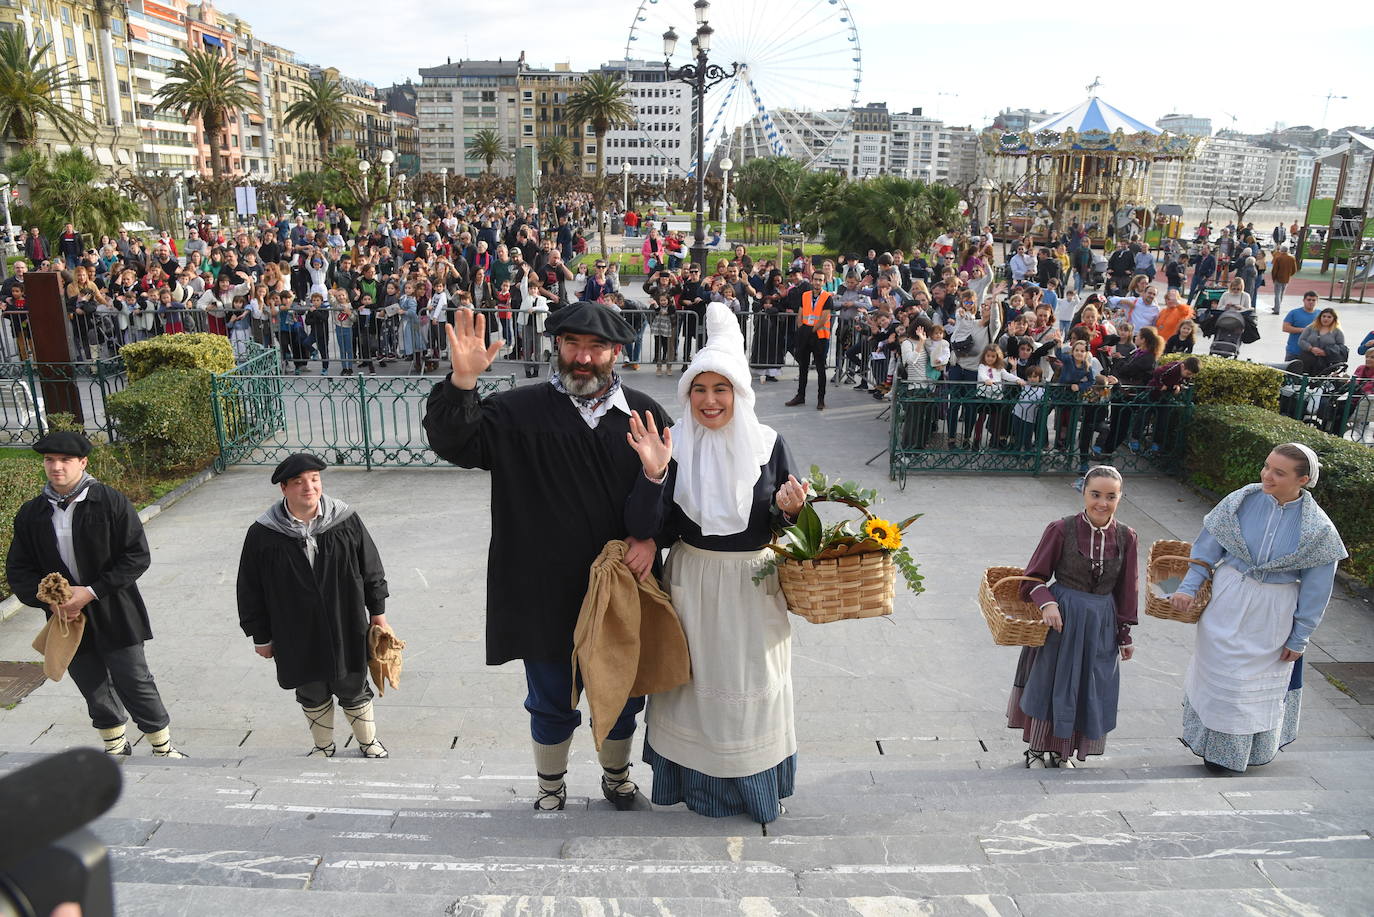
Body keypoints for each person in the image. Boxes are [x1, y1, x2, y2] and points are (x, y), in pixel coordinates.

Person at [423, 303, 671, 811]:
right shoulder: (518, 411)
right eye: (573, 345)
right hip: (541, 588)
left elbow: (675, 492)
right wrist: (462, 382)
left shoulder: (645, 415)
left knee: (623, 693)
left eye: (596, 347)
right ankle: (551, 786)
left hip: (618, 588)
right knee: (551, 698)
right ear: (556, 347)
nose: (583, 358)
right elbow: (455, 442)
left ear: (617, 352)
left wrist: (650, 537)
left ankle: (617, 777)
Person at [623, 302, 803, 824]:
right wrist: (653, 475)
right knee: (695, 691)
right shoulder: (673, 448)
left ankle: (756, 791)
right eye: (698, 390)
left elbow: (786, 522)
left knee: (752, 689)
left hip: (755, 588)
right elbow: (647, 527)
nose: (709, 400)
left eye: (720, 389)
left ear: (739, 393)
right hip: (692, 585)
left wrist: (793, 512)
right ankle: (698, 792)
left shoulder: (770, 446)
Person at [5, 431, 185, 758]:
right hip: (66, 619)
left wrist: (89, 592)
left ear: (83, 462)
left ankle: (163, 748)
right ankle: (115, 747)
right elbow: (18, 569)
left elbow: (136, 556)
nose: (56, 467)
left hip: (115, 609)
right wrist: (50, 600)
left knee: (134, 680)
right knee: (92, 685)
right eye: (49, 460)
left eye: (65, 460)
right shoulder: (32, 513)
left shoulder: (110, 501)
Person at [1170, 444, 1347, 774]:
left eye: (1279, 472)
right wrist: (1186, 588)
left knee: (1246, 688)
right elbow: (1205, 548)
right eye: (1267, 467)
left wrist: (1300, 638)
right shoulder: (1240, 501)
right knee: (1218, 678)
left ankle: (1238, 754)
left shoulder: (1319, 530)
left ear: (1303, 480)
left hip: (1273, 609)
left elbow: (1317, 591)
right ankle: (1213, 750)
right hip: (1228, 597)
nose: (1267, 475)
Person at [236, 454, 392, 758]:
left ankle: (368, 742)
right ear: (284, 488)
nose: (309, 487)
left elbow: (371, 568)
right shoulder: (263, 534)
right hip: (294, 629)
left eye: (314, 479)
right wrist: (261, 637)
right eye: (299, 482)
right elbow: (249, 588)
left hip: (344, 621)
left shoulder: (344, 520)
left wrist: (378, 613)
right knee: (310, 689)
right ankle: (323, 747)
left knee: (352, 683)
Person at [1006, 465, 1138, 767]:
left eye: (1110, 496)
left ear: (1120, 498)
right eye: (1095, 494)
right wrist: (1047, 603)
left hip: (1101, 624)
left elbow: (1127, 591)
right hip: (1061, 621)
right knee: (1050, 684)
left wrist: (1124, 635)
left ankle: (1063, 752)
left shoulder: (1127, 536)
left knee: (1087, 688)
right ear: (1083, 493)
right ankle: (1037, 750)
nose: (1102, 503)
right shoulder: (1060, 529)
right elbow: (1031, 580)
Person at [784, 271, 831, 411]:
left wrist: (810, 330)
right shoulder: (805, 295)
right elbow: (800, 313)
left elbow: (824, 318)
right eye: (815, 279)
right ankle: (800, 396)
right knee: (802, 366)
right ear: (811, 280)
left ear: (824, 282)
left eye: (820, 280)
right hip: (805, 334)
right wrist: (801, 329)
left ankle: (821, 399)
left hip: (819, 336)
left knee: (820, 369)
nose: (817, 282)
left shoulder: (827, 297)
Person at [1296, 307, 1347, 375]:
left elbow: (1341, 347)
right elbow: (1301, 340)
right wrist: (1311, 348)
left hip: (1326, 362)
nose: (1326, 319)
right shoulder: (1310, 328)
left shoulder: (1338, 332)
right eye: (1324, 316)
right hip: (1307, 359)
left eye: (1329, 317)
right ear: (1320, 317)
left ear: (1333, 319)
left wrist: (1325, 352)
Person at [1282, 291, 1322, 363]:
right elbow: (1285, 328)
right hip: (1294, 351)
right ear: (1304, 300)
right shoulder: (1294, 313)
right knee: (1290, 372)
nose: (1311, 302)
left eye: (1313, 300)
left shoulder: (1321, 314)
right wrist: (1304, 330)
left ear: (1317, 301)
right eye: (1309, 300)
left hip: (1312, 353)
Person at [1270, 244, 1298, 315]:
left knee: (1277, 294)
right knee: (1282, 293)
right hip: (1286, 278)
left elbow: (1274, 270)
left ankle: (1277, 309)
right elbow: (1294, 270)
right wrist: (1289, 274)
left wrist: (1274, 278)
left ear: (1281, 251)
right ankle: (1278, 306)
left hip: (1278, 278)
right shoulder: (1292, 258)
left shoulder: (1278, 258)